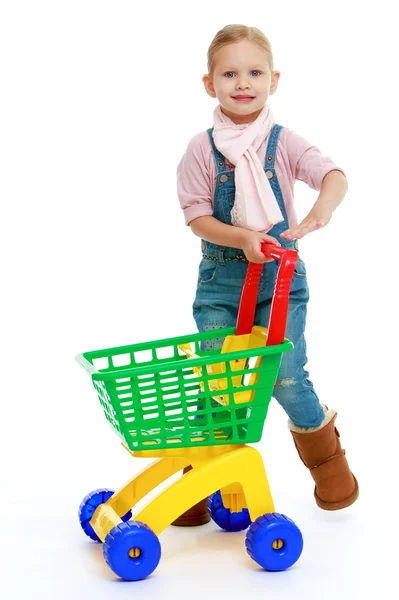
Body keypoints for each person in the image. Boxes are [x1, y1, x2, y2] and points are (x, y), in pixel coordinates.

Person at [173, 24, 358, 526]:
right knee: (218, 378)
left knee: (285, 374)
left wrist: (322, 210)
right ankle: (203, 481)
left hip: (279, 282)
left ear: (274, 80)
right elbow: (197, 219)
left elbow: (333, 174)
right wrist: (242, 239)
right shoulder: (201, 149)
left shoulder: (284, 143)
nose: (243, 83)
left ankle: (328, 462)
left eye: (254, 72)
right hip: (223, 278)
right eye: (229, 74)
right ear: (210, 84)